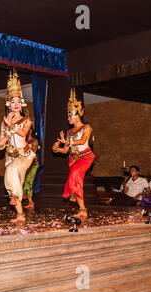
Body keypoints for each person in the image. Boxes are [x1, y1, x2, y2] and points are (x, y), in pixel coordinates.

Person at [0, 69, 35, 223]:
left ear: (22, 103)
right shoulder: (4, 123)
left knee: (11, 172)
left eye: (19, 101)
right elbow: (0, 143)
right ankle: (20, 215)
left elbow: (23, 133)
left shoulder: (26, 121)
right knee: (12, 183)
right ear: (9, 104)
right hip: (10, 156)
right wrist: (2, 141)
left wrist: (11, 125)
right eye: (13, 101)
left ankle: (15, 197)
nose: (16, 104)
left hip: (24, 155)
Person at [52, 88, 95, 217]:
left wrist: (69, 142)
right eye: (68, 115)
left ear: (78, 114)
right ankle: (82, 210)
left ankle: (74, 195)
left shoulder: (86, 128)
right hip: (73, 158)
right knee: (77, 180)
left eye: (70, 115)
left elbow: (82, 141)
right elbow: (66, 150)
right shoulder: (69, 132)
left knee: (74, 175)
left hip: (86, 157)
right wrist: (57, 148)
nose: (68, 118)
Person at [22, 126, 40, 210]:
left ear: (30, 131)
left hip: (33, 164)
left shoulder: (34, 141)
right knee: (24, 181)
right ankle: (25, 198)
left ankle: (31, 202)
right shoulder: (24, 141)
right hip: (25, 163)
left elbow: (32, 151)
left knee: (28, 182)